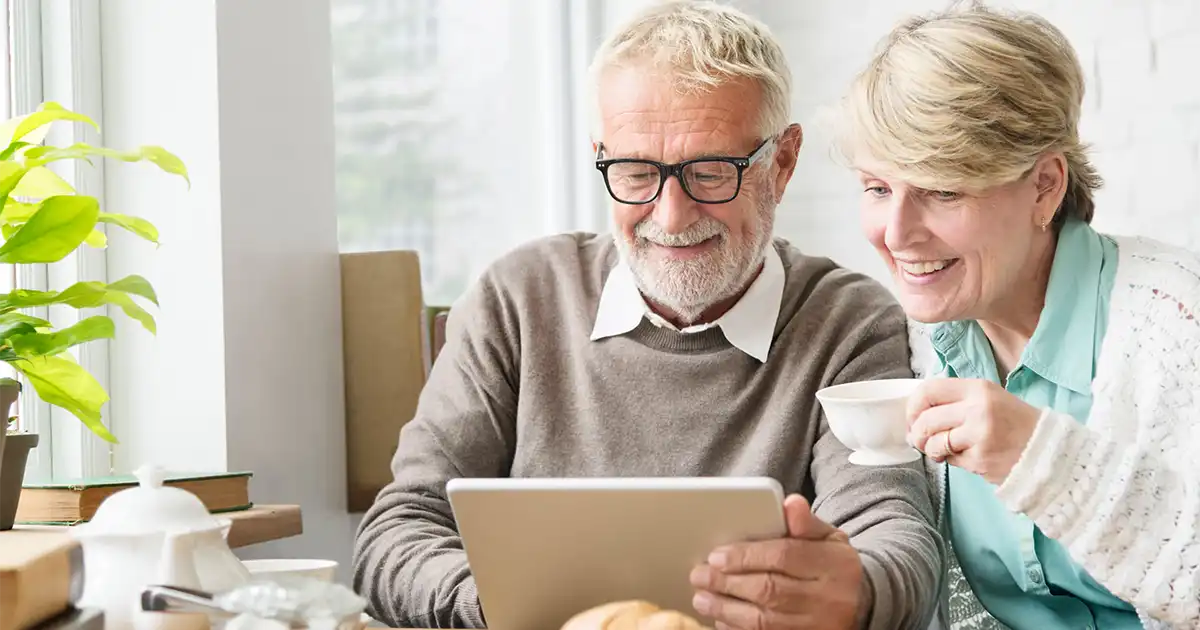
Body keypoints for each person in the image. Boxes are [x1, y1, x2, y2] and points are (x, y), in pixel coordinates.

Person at [353, 2, 944, 629]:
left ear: (782, 163)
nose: (670, 216)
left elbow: (895, 539)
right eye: (636, 173)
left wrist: (855, 595)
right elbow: (397, 532)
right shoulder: (519, 299)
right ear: (601, 155)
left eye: (711, 173)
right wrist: (505, 603)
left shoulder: (849, 323)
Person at [832, 2, 1200, 629]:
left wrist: (1046, 462)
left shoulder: (1175, 324)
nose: (895, 234)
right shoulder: (917, 343)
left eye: (942, 190)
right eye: (877, 188)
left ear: (1045, 186)